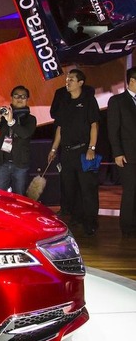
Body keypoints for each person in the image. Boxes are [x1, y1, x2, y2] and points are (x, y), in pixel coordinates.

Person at [48, 69, 101, 236]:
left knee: (88, 189)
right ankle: (76, 217)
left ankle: (90, 222)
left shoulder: (89, 100)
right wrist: (54, 148)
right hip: (67, 152)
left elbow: (94, 125)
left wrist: (91, 148)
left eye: (71, 79)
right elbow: (60, 128)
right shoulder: (64, 102)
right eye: (67, 79)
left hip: (84, 150)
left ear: (80, 82)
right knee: (70, 188)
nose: (68, 81)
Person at [0, 86, 37, 195]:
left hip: (20, 163)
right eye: (16, 96)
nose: (19, 98)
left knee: (19, 196)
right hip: (3, 162)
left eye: (23, 96)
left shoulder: (31, 119)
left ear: (27, 99)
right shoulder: (4, 113)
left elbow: (25, 134)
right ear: (11, 98)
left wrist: (11, 122)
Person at [107, 67, 136, 237]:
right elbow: (113, 129)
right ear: (132, 80)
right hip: (127, 155)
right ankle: (128, 227)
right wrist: (117, 152)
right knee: (130, 190)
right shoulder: (117, 101)